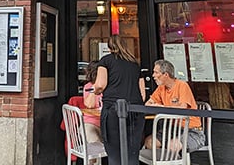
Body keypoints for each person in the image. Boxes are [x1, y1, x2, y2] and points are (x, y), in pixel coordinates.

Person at [93, 35, 146, 165]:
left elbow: (100, 84)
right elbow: (142, 94)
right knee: (133, 149)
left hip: (113, 108)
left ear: (109, 46)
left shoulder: (106, 61)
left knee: (114, 150)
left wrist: (95, 91)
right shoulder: (134, 63)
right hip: (136, 109)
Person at [144, 59, 205, 153]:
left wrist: (162, 108)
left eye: (156, 72)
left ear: (166, 75)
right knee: (150, 142)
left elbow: (182, 108)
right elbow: (148, 104)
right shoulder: (161, 88)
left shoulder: (182, 85)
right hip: (172, 129)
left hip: (192, 131)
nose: (153, 76)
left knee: (173, 145)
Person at [82, 61, 103, 165]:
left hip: (107, 123)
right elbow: (89, 105)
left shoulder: (108, 86)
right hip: (91, 123)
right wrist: (95, 87)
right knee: (94, 150)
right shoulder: (88, 86)